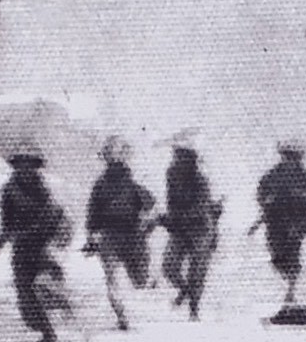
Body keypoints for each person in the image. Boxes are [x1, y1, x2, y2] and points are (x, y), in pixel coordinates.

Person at [0, 145, 70, 342]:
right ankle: (48, 332)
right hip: (22, 247)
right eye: (21, 164)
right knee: (25, 296)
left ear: (35, 166)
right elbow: (6, 225)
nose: (26, 168)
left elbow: (56, 217)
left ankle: (59, 309)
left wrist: (56, 239)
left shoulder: (43, 189)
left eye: (30, 164)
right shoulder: (8, 191)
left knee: (44, 284)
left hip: (42, 245)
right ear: (16, 167)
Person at [84, 135, 155, 330]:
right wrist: (92, 237)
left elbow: (150, 209)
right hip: (113, 238)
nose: (114, 163)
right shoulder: (102, 186)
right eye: (111, 158)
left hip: (131, 237)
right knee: (114, 279)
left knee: (138, 280)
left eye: (117, 159)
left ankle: (123, 314)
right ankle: (122, 318)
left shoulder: (132, 186)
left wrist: (146, 225)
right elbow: (92, 215)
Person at [159, 129, 221, 321]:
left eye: (178, 152)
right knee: (169, 267)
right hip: (181, 227)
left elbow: (203, 207)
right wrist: (168, 219)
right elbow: (172, 203)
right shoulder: (171, 173)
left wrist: (169, 219)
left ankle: (194, 309)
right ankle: (186, 292)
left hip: (201, 228)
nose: (175, 156)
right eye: (175, 152)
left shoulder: (200, 175)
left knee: (197, 270)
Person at [252, 141, 306, 305]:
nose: (289, 160)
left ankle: (291, 291)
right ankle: (289, 282)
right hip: (274, 222)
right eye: (287, 156)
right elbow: (261, 195)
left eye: (293, 157)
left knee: (292, 254)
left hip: (296, 223)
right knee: (276, 256)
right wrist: (268, 202)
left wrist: (305, 214)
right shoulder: (271, 176)